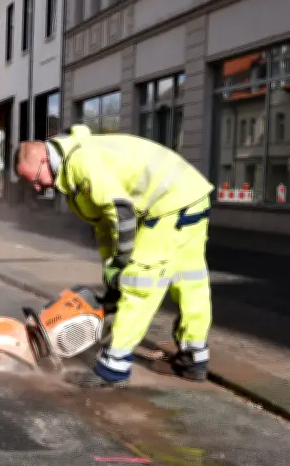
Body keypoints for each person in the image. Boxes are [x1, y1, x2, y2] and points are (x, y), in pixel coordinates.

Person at [14, 124, 215, 388]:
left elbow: (121, 213)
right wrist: (111, 272)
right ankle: (194, 358)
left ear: (44, 158)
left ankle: (113, 367)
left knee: (139, 283)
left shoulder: (80, 163)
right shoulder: (71, 167)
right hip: (192, 196)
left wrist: (122, 267)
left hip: (169, 204)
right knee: (189, 280)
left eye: (36, 179)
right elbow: (105, 226)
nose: (38, 188)